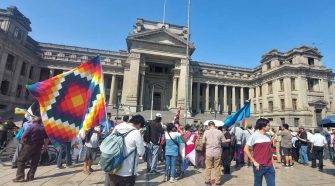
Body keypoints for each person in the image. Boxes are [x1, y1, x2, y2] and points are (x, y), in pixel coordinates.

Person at [108, 115, 145, 186]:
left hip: (114, 169)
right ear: (139, 124)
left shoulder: (118, 127)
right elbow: (141, 152)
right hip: (127, 172)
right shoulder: (136, 133)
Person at [13, 116, 49, 182]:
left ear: (33, 121)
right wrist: (45, 146)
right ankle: (30, 177)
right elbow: (47, 138)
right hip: (39, 147)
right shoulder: (43, 128)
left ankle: (20, 177)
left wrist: (25, 143)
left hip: (29, 146)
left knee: (21, 160)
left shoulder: (31, 127)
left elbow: (23, 136)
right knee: (34, 162)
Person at [244, 118, 275, 186]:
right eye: (268, 125)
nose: (269, 127)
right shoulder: (254, 135)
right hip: (259, 166)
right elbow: (246, 149)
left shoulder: (268, 135)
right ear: (263, 126)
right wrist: (254, 162)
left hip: (269, 166)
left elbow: (269, 150)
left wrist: (273, 163)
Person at [202, 121, 225, 185]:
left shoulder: (206, 132)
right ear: (214, 125)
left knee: (208, 167)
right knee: (217, 167)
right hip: (217, 152)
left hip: (209, 152)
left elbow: (203, 141)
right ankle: (217, 181)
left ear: (209, 126)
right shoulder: (219, 132)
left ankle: (207, 180)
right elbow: (224, 141)